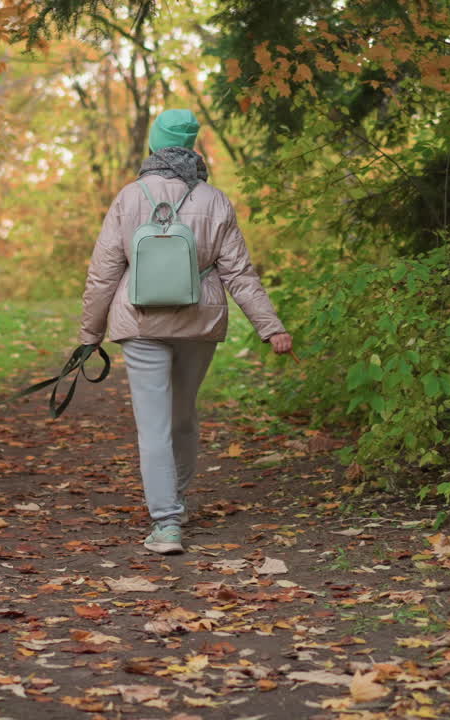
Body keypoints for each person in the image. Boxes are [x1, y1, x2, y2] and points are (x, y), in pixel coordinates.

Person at [78, 108, 293, 555]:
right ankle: (175, 500)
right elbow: (240, 274)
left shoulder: (129, 197)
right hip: (200, 321)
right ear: (191, 146)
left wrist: (89, 335)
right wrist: (270, 327)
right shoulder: (214, 200)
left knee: (153, 425)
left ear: (155, 145)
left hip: (139, 323)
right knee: (183, 417)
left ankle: (166, 523)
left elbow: (103, 273)